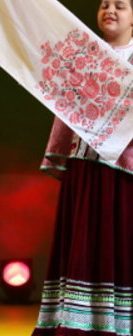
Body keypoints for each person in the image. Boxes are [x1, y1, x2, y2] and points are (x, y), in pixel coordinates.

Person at [33, 0, 133, 335]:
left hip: (124, 173)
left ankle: (117, 324)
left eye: (120, 5)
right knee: (83, 242)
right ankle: (76, 323)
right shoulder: (86, 58)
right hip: (86, 169)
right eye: (105, 4)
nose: (111, 10)